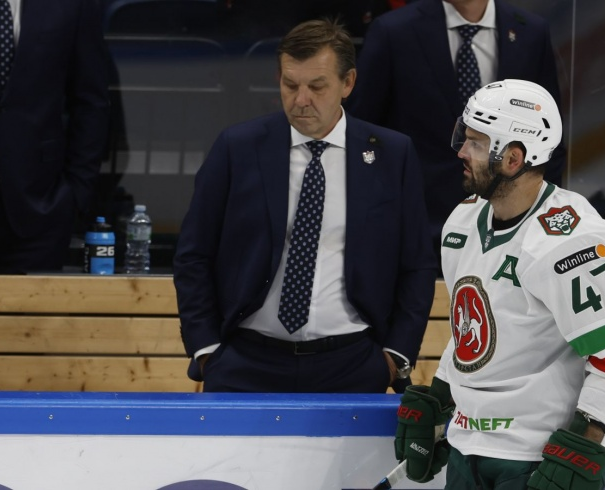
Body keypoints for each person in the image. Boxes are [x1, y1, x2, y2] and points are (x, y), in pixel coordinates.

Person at [394, 80, 605, 489]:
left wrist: (584, 443)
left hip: (536, 461)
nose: (461, 151)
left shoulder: (569, 241)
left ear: (513, 158)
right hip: (465, 446)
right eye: (465, 137)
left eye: (476, 143)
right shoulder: (462, 222)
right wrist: (443, 392)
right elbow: (471, 330)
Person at [173, 19, 437, 393]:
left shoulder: (392, 154)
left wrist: (396, 355)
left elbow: (417, 264)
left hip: (353, 364)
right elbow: (194, 254)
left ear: (348, 83)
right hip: (245, 363)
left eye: (316, 86)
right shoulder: (237, 148)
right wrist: (206, 350)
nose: (300, 100)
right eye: (290, 84)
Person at [345, 0, 565, 266]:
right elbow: (362, 134)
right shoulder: (394, 31)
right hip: (417, 232)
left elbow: (548, 135)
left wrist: (538, 216)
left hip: (510, 233)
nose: (464, 152)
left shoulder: (530, 31)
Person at [0, 0, 110, 273]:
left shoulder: (71, 5)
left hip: (40, 209)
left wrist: (75, 194)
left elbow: (91, 102)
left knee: (32, 304)